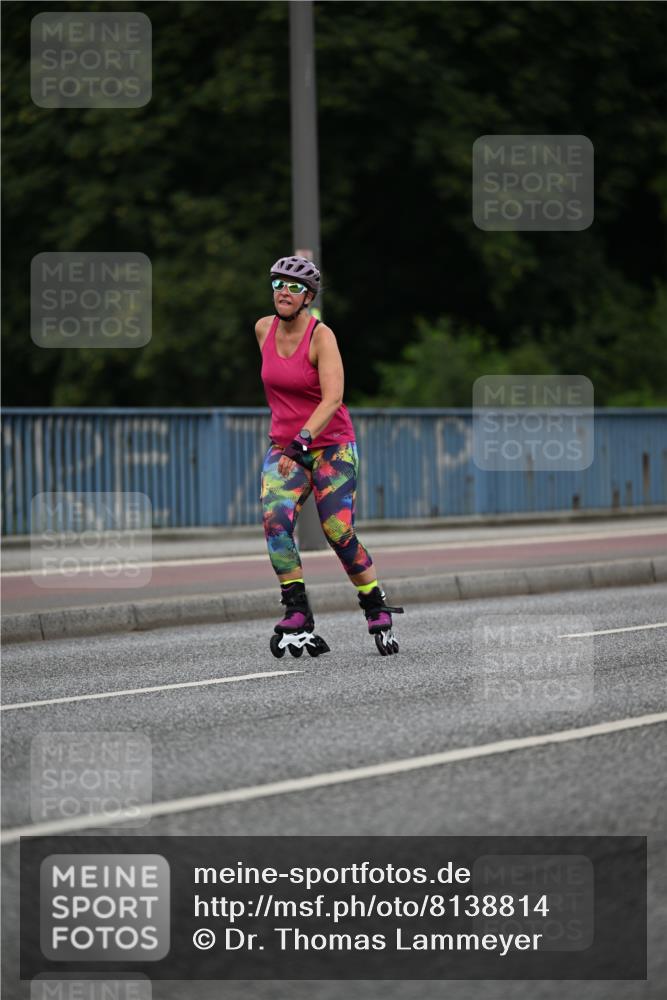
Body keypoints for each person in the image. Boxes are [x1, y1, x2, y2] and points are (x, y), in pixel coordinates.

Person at [255, 255, 403, 658]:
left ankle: (374, 602)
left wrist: (302, 439)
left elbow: (333, 398)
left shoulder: (321, 337)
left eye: (295, 288)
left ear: (308, 297)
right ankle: (297, 611)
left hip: (331, 446)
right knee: (275, 522)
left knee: (337, 530)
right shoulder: (263, 329)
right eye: (278, 285)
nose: (284, 293)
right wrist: (291, 442)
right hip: (285, 447)